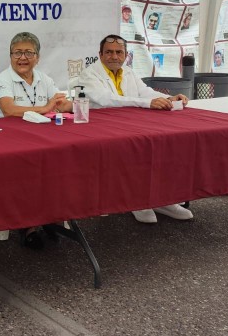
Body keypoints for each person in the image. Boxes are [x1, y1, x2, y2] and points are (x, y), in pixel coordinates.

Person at [78, 34, 193, 224]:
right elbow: (107, 99)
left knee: (163, 148)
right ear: (100, 54)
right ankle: (137, 201)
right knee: (137, 155)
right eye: (109, 52)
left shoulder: (128, 71)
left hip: (134, 125)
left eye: (118, 52)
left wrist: (169, 98)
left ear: (125, 55)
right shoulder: (89, 74)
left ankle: (163, 199)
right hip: (106, 130)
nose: (114, 56)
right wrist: (148, 103)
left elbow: (145, 92)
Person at [0, 32, 72, 249]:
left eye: (28, 52)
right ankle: (28, 226)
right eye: (17, 52)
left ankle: (51, 217)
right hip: (7, 140)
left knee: (59, 162)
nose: (22, 57)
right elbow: (8, 110)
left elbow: (60, 103)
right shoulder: (4, 78)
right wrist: (45, 108)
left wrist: (69, 104)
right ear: (10, 56)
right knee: (28, 167)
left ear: (37, 57)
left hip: (39, 137)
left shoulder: (44, 79)